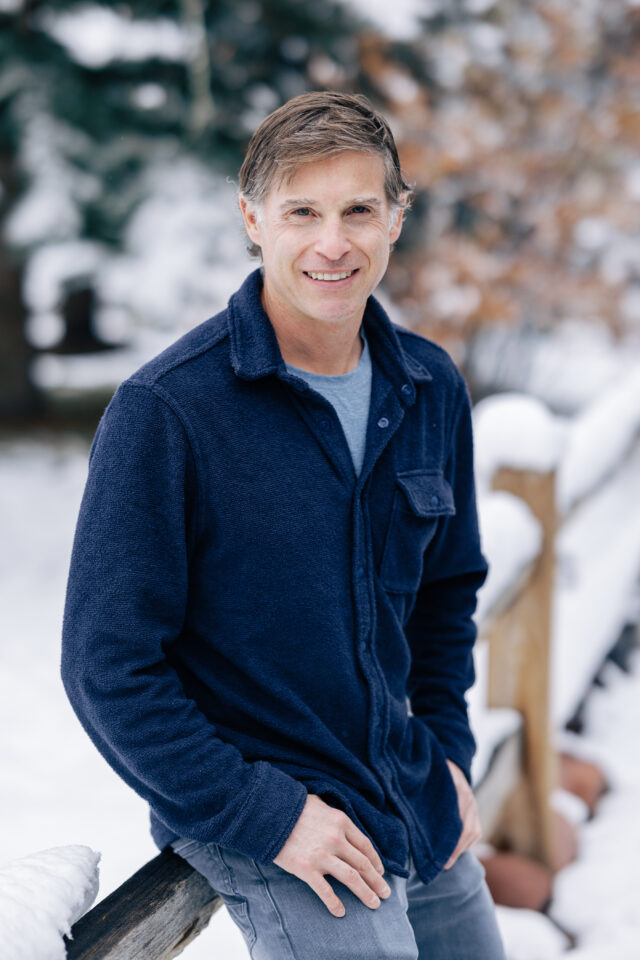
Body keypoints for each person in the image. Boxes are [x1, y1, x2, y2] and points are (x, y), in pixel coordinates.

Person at [61, 91, 506, 959]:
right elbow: (107, 665)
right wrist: (264, 815)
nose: (332, 243)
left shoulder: (430, 387)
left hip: (409, 786)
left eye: (359, 211)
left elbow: (447, 593)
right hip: (270, 812)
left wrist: (449, 747)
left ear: (397, 218)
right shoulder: (167, 412)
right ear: (252, 220)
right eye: (302, 212)